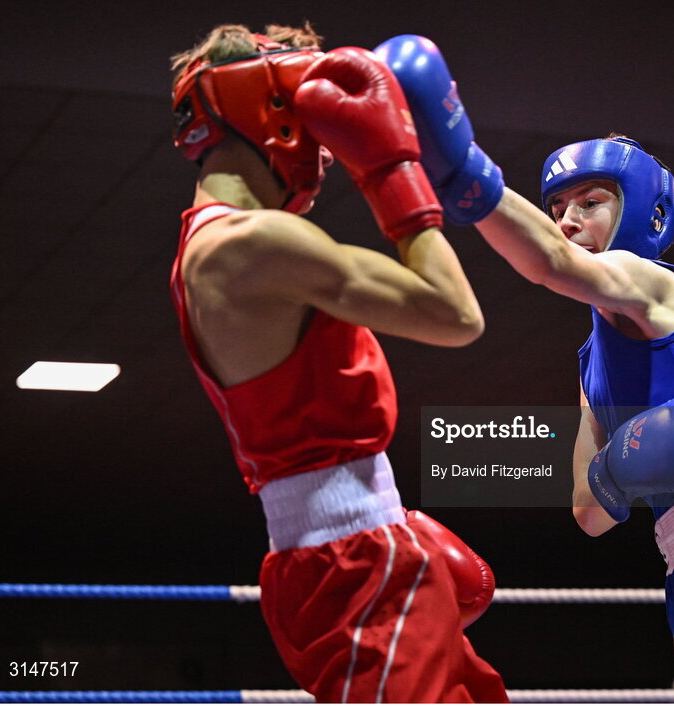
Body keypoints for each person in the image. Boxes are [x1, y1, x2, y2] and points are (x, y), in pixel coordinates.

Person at [376, 34, 674, 703]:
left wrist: (463, 174)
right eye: (558, 209)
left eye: (590, 202)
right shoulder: (591, 364)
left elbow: (551, 265)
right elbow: (591, 514)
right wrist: (623, 466)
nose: (567, 221)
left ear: (646, 211)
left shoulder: (655, 285)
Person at [167, 24, 508, 703]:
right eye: (314, 119)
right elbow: (455, 313)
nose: (325, 148)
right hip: (356, 568)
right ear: (273, 113)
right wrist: (392, 169)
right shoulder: (251, 245)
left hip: (347, 554)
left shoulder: (205, 248)